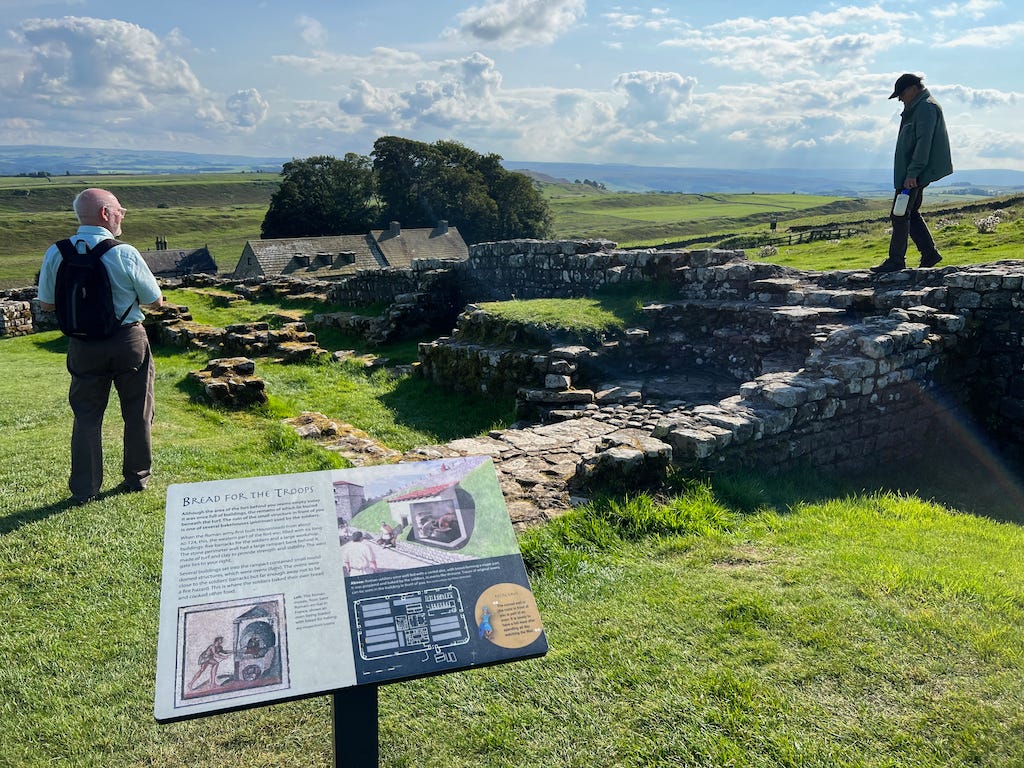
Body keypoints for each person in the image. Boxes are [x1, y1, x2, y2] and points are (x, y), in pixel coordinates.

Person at [36, 188, 164, 505]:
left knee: (87, 416)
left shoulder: (57, 252)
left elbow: (47, 305)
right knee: (137, 411)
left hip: (82, 346)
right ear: (105, 214)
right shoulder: (123, 252)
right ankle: (136, 477)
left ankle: (85, 487)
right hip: (127, 340)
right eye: (120, 210)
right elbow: (155, 301)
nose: (122, 215)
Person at [871, 73, 953, 273]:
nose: (900, 99)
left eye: (901, 94)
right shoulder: (918, 107)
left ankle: (896, 260)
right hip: (912, 171)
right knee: (910, 212)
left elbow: (923, 143)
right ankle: (929, 254)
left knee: (899, 214)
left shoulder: (925, 108)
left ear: (912, 89)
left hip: (913, 173)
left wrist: (912, 173)